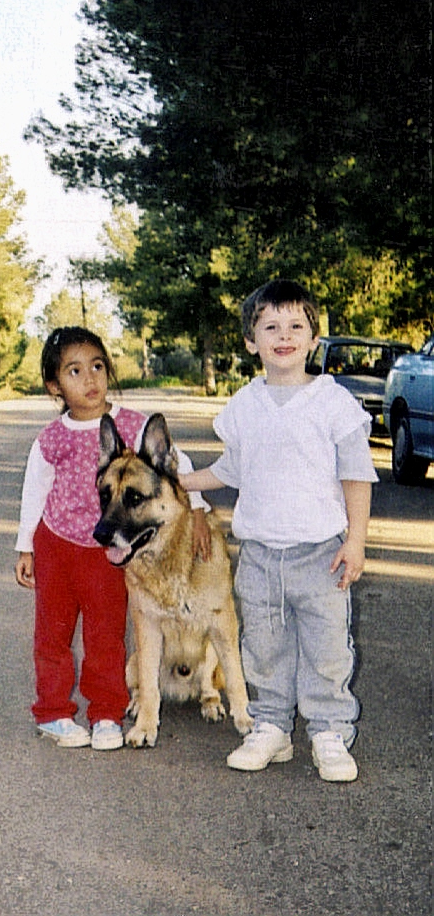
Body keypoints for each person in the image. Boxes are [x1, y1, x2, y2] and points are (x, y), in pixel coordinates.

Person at [179, 280, 378, 782]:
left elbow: (357, 475)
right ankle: (271, 727)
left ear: (314, 338)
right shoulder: (245, 405)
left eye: (296, 326)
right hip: (261, 555)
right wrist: (178, 481)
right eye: (270, 327)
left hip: (321, 554)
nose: (283, 336)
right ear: (251, 341)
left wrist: (355, 541)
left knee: (326, 647)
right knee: (263, 646)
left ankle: (330, 732)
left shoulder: (334, 403)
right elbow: (230, 471)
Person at [15, 326, 210, 751]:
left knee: (105, 635)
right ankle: (53, 711)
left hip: (109, 551)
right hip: (58, 544)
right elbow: (35, 488)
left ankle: (105, 712)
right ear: (55, 386)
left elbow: (178, 467)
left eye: (98, 367)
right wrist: (26, 544)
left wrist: (198, 512)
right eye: (75, 371)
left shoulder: (134, 425)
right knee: (53, 633)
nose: (90, 380)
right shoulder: (52, 437)